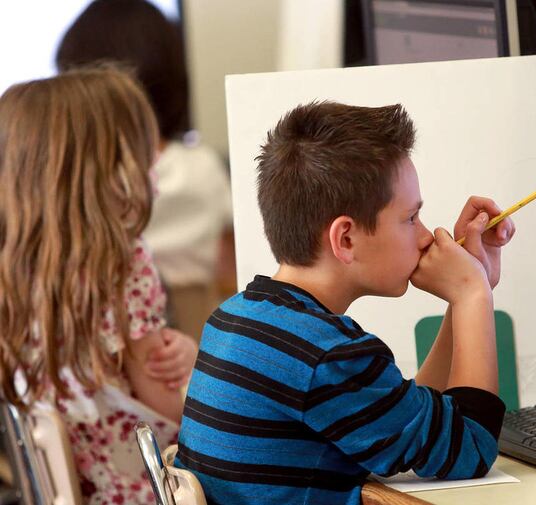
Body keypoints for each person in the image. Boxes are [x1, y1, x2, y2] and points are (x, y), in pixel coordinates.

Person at [175, 101, 515, 504]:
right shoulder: (328, 357)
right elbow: (471, 449)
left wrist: (465, 296)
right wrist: (473, 294)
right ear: (346, 238)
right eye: (410, 218)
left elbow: (413, 426)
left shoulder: (235, 319)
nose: (426, 236)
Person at [0, 67, 198, 504]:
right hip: (144, 491)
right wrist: (195, 365)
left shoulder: (12, 273)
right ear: (107, 170)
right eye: (144, 154)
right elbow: (167, 405)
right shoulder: (123, 264)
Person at [56, 0, 234, 341]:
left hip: (107, 348)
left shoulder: (73, 182)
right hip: (201, 343)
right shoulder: (203, 169)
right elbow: (233, 269)